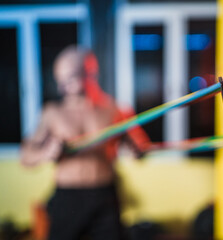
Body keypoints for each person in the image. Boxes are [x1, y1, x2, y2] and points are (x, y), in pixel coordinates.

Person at [21, 45, 151, 240]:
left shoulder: (115, 110)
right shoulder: (53, 113)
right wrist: (46, 152)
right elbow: (25, 157)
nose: (62, 86)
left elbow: (140, 148)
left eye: (69, 78)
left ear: (90, 72)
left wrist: (138, 150)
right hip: (67, 197)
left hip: (105, 196)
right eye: (60, 79)